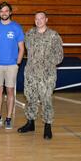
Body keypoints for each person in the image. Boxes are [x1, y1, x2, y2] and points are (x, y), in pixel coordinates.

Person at [17, 12, 63, 140]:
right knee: (30, 98)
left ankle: (47, 126)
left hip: (47, 74)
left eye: (41, 18)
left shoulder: (53, 35)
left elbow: (59, 55)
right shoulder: (29, 34)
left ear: (46, 20)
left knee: (46, 99)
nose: (39, 21)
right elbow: (21, 48)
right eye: (36, 19)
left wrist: (46, 63)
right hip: (31, 73)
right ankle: (30, 123)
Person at [0, 2, 24, 129]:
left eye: (6, 11)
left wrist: (17, 62)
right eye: (2, 11)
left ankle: (8, 118)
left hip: (11, 65)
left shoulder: (16, 27)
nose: (4, 13)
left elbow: (21, 47)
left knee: (10, 91)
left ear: (10, 12)